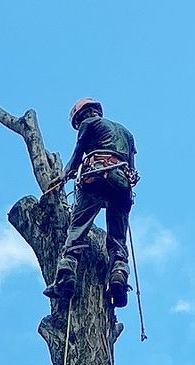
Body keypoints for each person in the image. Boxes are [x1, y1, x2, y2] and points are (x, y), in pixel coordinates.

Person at [54, 97, 137, 304]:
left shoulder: (88, 124)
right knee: (118, 237)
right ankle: (118, 275)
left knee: (78, 227)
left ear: (80, 116)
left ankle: (67, 273)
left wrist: (63, 176)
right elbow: (132, 168)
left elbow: (77, 155)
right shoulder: (126, 133)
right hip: (122, 183)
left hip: (96, 176)